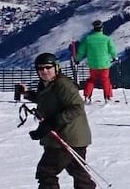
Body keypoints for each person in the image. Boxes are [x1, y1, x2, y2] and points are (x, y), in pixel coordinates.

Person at [27, 52, 94, 189]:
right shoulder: (49, 84)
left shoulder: (63, 84)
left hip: (66, 137)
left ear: (56, 68)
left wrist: (53, 122)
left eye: (48, 67)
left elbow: (77, 107)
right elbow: (48, 99)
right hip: (74, 137)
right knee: (78, 172)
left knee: (46, 172)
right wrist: (28, 94)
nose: (44, 71)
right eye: (40, 68)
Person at [78, 21, 117, 103]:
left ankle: (87, 96)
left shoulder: (88, 39)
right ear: (102, 28)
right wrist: (114, 57)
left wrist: (77, 59)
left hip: (93, 65)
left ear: (94, 28)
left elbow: (81, 51)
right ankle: (108, 97)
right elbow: (112, 50)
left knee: (92, 80)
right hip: (104, 64)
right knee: (105, 80)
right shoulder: (107, 39)